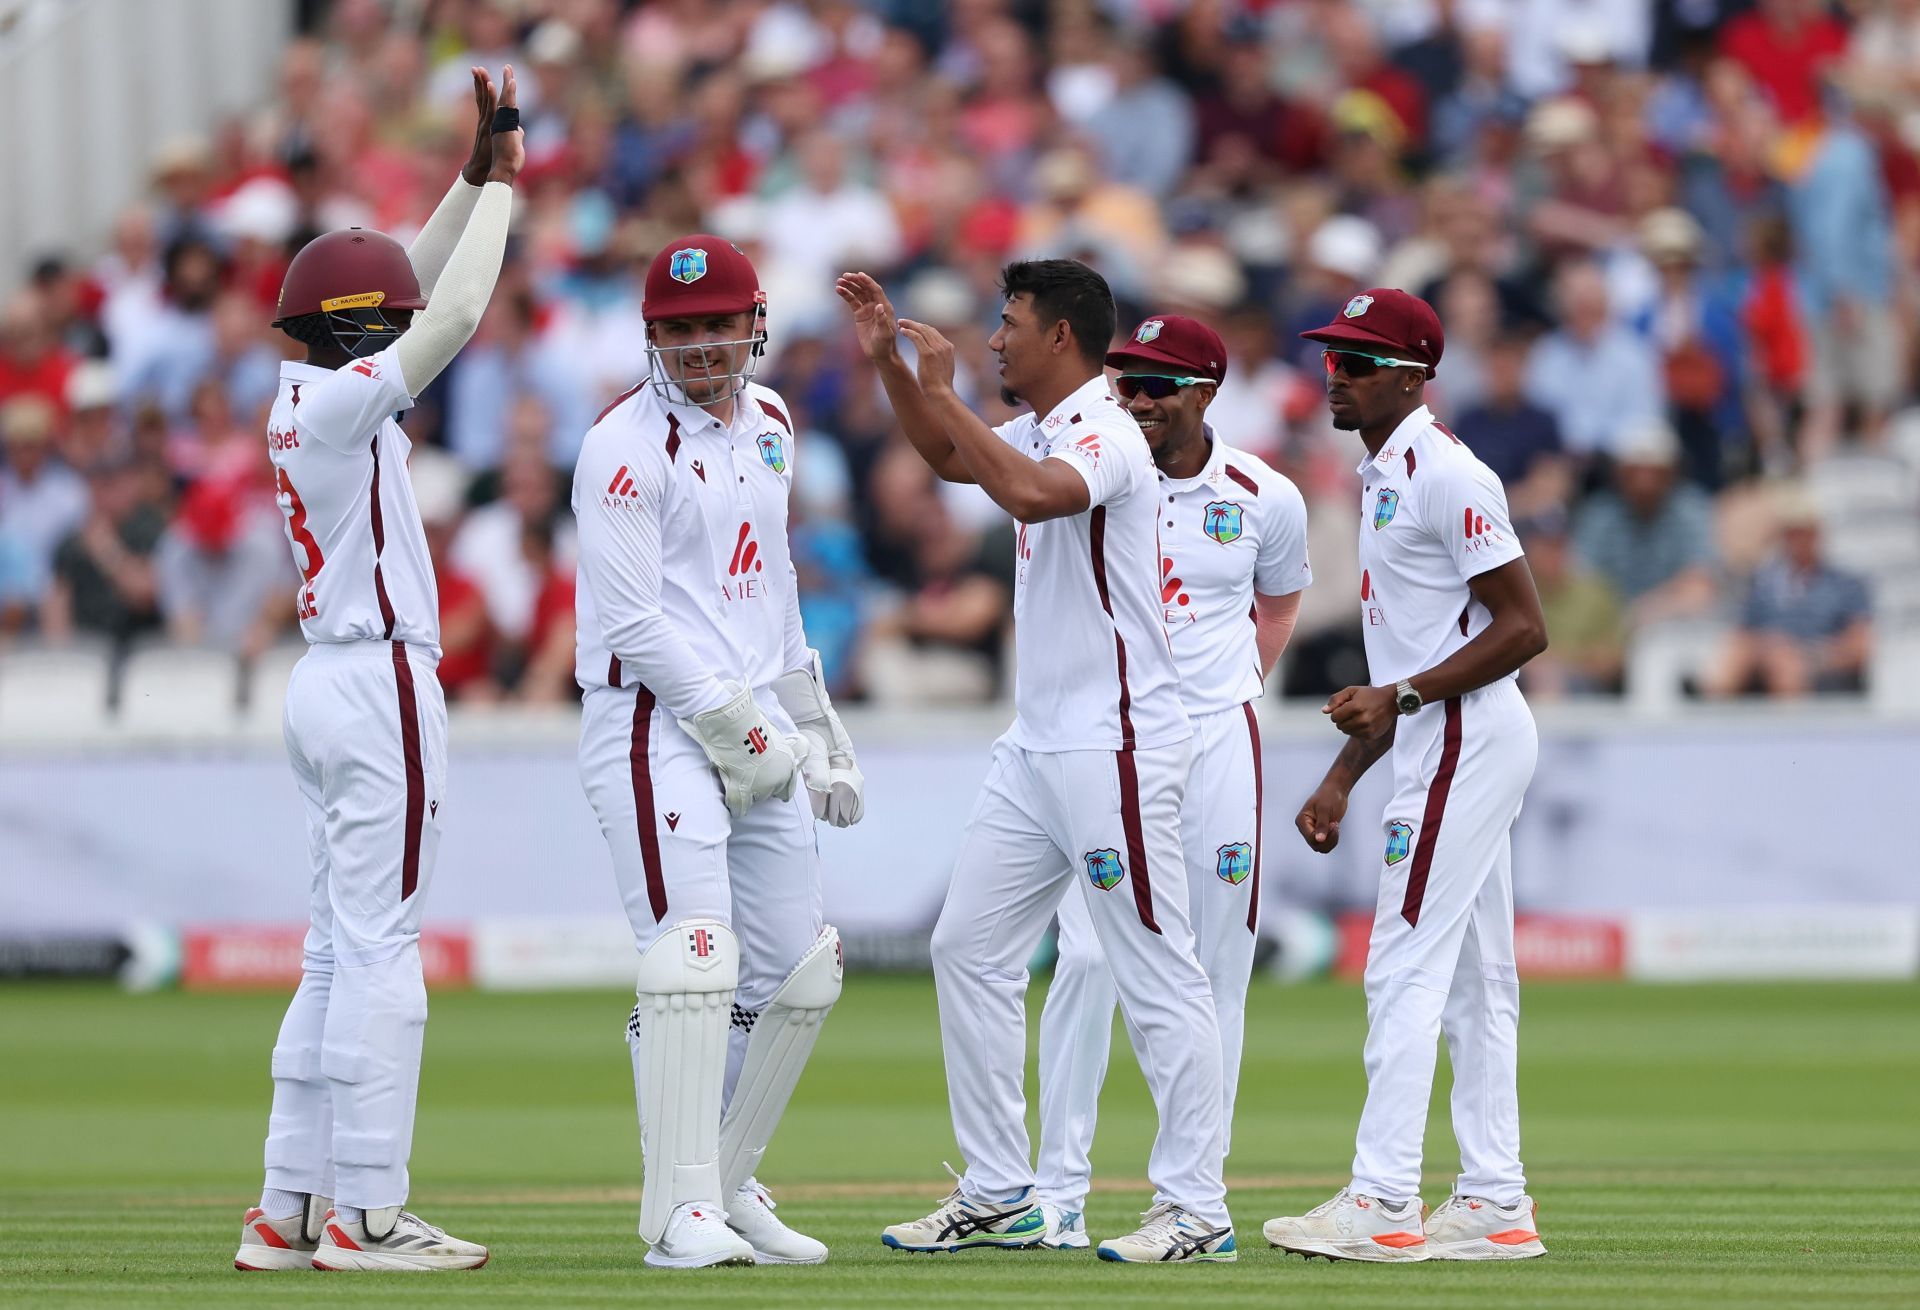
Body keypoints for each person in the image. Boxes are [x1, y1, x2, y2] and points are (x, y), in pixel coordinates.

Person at [841, 262, 1234, 1263]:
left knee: (1154, 971)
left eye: (1008, 323)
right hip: (1040, 742)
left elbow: (1025, 496)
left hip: (1117, 740)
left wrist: (943, 389)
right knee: (966, 947)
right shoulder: (1047, 425)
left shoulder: (1104, 427)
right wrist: (894, 365)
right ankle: (1002, 1190)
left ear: (1061, 336)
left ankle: (1196, 1206)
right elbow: (951, 458)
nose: (995, 338)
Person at [233, 65, 522, 1275]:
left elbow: (395, 280)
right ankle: (370, 1213)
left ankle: (287, 1207)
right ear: (358, 334)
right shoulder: (348, 407)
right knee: (384, 950)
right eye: (379, 321)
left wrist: (466, 176)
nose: (396, 324)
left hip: (324, 681)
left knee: (331, 951)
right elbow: (445, 315)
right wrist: (507, 189)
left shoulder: (305, 396)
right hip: (381, 680)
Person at [571, 234, 863, 1269]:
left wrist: (814, 721)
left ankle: (732, 1179)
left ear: (754, 324)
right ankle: (677, 1205)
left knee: (792, 970)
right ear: (652, 334)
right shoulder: (622, 446)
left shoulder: (773, 423)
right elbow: (633, 620)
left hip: (756, 721)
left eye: (718, 324)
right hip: (653, 725)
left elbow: (771, 587)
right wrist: (738, 724)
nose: (702, 345)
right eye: (680, 329)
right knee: (695, 958)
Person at [1262, 289, 1551, 1262]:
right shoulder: (1385, 473)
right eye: (1332, 355)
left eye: (1358, 358)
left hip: (1466, 730)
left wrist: (1402, 701)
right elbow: (1412, 656)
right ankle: (1493, 1200)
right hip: (1448, 727)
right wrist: (1346, 772)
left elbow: (1523, 627)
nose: (1334, 372)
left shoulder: (1447, 473)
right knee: (1475, 977)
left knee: (1403, 961)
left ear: (1413, 373)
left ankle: (1384, 1198)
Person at [1032, 314, 1312, 1249]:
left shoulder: (1263, 494)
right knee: (1084, 956)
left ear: (1206, 391)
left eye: (1159, 385)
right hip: (1112, 737)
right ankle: (1055, 1193)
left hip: (1217, 738)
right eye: (1127, 381)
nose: (1137, 400)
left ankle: (1191, 1198)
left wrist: (1230, 691)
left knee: (1214, 972)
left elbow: (1278, 602)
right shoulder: (1099, 468)